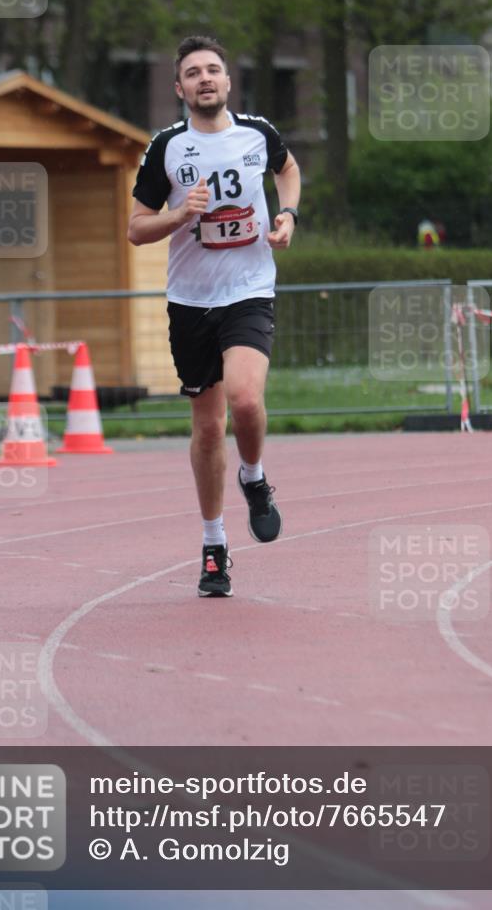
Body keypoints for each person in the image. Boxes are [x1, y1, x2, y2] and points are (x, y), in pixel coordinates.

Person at [128, 35, 301, 598]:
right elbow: (135, 228)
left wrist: (288, 215)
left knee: (246, 400)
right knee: (207, 427)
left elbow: (288, 169)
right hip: (191, 302)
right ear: (179, 88)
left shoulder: (258, 132)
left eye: (214, 70)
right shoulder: (167, 148)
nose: (205, 79)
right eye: (194, 73)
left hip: (249, 289)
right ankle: (213, 545)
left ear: (228, 82)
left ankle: (254, 478)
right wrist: (180, 215)